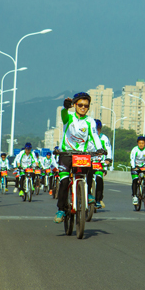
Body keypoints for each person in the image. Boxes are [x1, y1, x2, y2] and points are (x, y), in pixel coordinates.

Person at [54, 92, 105, 223]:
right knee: (64, 181)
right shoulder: (68, 117)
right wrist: (65, 107)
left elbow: (94, 136)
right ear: (75, 105)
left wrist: (99, 149)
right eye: (80, 105)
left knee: (88, 171)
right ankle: (61, 209)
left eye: (86, 106)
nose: (83, 107)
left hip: (81, 155)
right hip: (66, 154)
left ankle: (86, 193)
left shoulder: (90, 121)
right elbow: (64, 114)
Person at [92, 119, 113, 209]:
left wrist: (108, 159)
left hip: (100, 164)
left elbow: (108, 149)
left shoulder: (104, 138)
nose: (97, 131)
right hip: (88, 162)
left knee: (99, 180)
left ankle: (98, 199)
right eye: (95, 129)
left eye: (98, 129)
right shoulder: (88, 137)